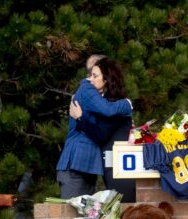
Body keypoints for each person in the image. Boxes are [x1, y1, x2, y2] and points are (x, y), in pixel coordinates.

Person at [56, 55, 132, 199]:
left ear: (107, 78)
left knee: (84, 218)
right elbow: (108, 110)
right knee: (71, 216)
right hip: (75, 164)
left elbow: (101, 132)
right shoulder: (87, 88)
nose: (91, 79)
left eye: (95, 75)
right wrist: (127, 104)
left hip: (87, 166)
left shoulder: (99, 97)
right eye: (90, 74)